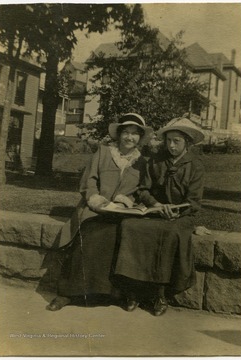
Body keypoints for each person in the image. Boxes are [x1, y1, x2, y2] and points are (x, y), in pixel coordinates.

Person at [47, 113, 152, 311]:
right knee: (88, 234)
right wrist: (96, 200)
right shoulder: (103, 153)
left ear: (140, 137)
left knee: (122, 236)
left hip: (121, 213)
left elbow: (142, 192)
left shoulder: (142, 163)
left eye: (134, 134)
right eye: (126, 133)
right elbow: (89, 181)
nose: (130, 137)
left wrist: (126, 202)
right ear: (118, 135)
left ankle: (114, 293)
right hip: (94, 209)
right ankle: (67, 293)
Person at [113, 117, 205, 316]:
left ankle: (160, 294)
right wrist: (156, 204)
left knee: (169, 233)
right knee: (130, 226)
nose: (171, 145)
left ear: (187, 143)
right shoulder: (156, 161)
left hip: (181, 216)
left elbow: (195, 201)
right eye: (169, 141)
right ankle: (133, 290)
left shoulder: (195, 165)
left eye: (177, 142)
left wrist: (175, 210)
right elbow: (144, 190)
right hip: (155, 210)